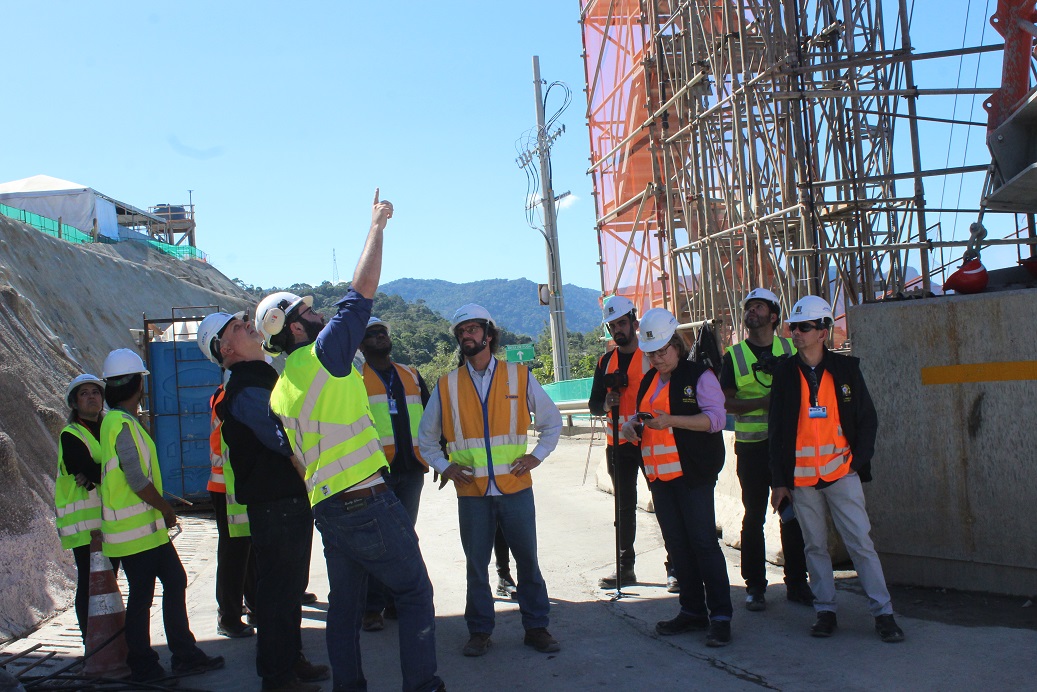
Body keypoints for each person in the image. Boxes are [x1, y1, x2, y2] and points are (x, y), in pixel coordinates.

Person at [257, 191, 444, 692]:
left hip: (328, 508)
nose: (317, 314)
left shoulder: (280, 390)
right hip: (366, 498)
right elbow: (361, 293)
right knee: (414, 592)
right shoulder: (323, 355)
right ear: (296, 327)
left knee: (344, 610)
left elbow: (295, 458)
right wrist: (377, 225)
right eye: (307, 311)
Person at [418, 303, 563, 657]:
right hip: (472, 493)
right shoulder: (447, 385)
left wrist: (537, 456)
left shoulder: (519, 375)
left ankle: (537, 627)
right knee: (476, 567)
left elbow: (552, 422)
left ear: (488, 334)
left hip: (515, 488)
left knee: (527, 562)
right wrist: (445, 466)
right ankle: (480, 631)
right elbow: (425, 439)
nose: (466, 335)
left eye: (472, 329)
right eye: (461, 331)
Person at [198, 311, 330, 692]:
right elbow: (283, 439)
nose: (249, 326)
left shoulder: (260, 377)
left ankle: (290, 660)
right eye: (238, 328)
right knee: (277, 592)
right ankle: (277, 677)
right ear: (226, 348)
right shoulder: (244, 388)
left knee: (287, 590)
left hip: (285, 499)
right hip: (275, 503)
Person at [768, 295, 905, 643]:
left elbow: (867, 419)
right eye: (793, 327)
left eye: (804, 327)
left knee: (860, 543)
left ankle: (883, 613)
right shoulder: (784, 374)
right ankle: (825, 611)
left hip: (841, 473)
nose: (796, 333)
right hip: (802, 479)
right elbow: (777, 431)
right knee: (815, 547)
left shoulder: (846, 370)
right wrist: (779, 482)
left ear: (823, 331)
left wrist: (855, 464)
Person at [98, 348, 223, 683]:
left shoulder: (123, 421)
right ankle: (143, 664)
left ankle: (184, 654)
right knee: (142, 596)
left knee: (174, 580)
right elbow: (135, 478)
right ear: (138, 385)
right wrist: (166, 508)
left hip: (146, 530)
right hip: (133, 533)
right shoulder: (119, 423)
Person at [621, 308, 733, 647]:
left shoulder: (699, 376)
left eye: (662, 351)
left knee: (703, 544)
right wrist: (631, 426)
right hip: (660, 479)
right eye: (651, 353)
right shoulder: (650, 381)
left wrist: (672, 421)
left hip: (693, 476)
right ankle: (692, 610)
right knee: (678, 546)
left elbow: (715, 420)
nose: (656, 359)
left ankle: (721, 616)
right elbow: (642, 417)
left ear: (676, 344)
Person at [720, 288, 812, 611]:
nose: (752, 312)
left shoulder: (790, 348)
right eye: (749, 307)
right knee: (754, 517)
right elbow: (725, 403)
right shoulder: (733, 356)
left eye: (758, 307)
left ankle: (797, 583)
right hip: (752, 448)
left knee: (792, 514)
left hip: (788, 447)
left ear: (773, 316)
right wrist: (763, 402)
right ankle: (755, 587)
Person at [358, 315, 432, 631]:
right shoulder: (354, 379)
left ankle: (395, 602)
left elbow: (431, 417)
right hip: (376, 472)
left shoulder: (411, 375)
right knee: (377, 541)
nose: (379, 336)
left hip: (411, 469)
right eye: (371, 334)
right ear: (360, 344)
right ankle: (371, 607)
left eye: (382, 332)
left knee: (403, 538)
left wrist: (439, 456)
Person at [55, 373, 119, 645]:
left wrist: (96, 472)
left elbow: (97, 471)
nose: (92, 397)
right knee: (90, 582)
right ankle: (90, 641)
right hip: (84, 524)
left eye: (95, 392)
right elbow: (92, 469)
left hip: (110, 519)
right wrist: (99, 471)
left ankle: (110, 638)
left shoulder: (108, 428)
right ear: (74, 403)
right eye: (84, 394)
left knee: (109, 580)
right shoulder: (71, 434)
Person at [205, 374, 259, 639]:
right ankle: (228, 616)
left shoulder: (226, 392)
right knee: (234, 552)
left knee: (246, 548)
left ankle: (254, 606)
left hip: (234, 483)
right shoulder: (230, 396)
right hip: (227, 484)